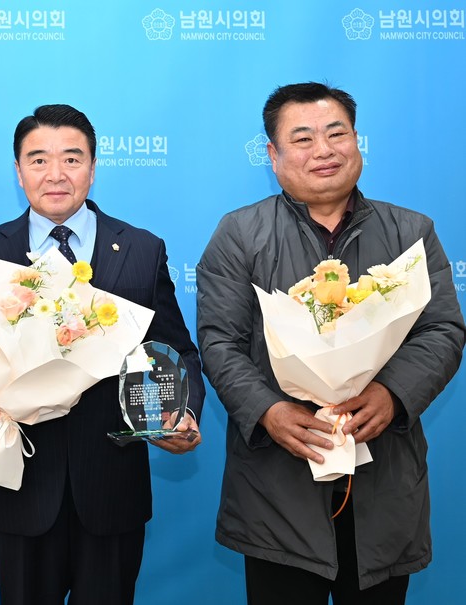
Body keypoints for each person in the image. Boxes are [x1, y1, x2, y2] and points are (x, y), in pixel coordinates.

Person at [196, 81, 465, 604]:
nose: (323, 150)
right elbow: (220, 342)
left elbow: (443, 330)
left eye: (336, 133)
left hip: (383, 477)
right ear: (273, 155)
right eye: (302, 139)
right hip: (278, 488)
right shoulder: (240, 234)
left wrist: (393, 394)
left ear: (357, 141)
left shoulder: (411, 231)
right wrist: (268, 410)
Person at [0, 104, 205, 605]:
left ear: (93, 168)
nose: (55, 174)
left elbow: (175, 346)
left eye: (72, 159)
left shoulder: (142, 249)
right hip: (19, 483)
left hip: (112, 486)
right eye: (38, 160)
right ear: (18, 171)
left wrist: (181, 411)